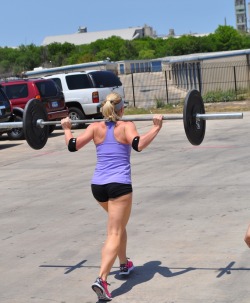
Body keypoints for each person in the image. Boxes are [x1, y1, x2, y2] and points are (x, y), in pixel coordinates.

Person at [61, 92, 163, 301]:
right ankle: (102, 280)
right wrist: (156, 127)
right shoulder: (126, 126)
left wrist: (67, 129)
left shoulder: (94, 127)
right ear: (122, 109)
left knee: (118, 225)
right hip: (119, 186)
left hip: (98, 187)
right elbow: (139, 145)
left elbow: (72, 145)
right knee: (114, 232)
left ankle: (124, 263)